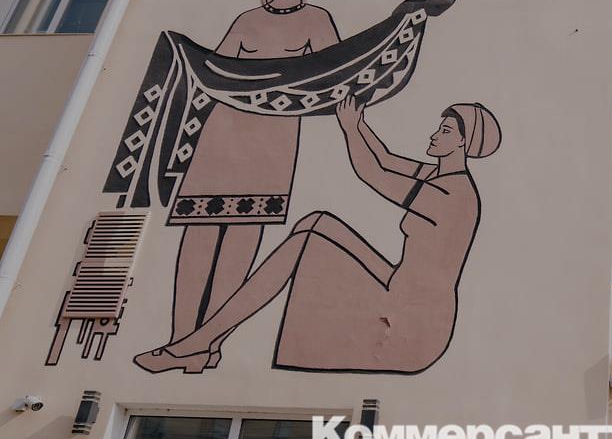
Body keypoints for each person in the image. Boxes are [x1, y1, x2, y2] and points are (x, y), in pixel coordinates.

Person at [133, 96, 502, 374]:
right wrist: (357, 123)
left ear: (463, 143)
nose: (435, 135)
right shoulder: (437, 175)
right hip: (396, 287)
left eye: (446, 131)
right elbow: (386, 158)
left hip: (412, 320)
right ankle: (206, 342)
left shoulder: (454, 195)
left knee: (308, 236)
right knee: (316, 223)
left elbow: (373, 174)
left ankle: (201, 342)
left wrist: (349, 130)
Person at [166, 0, 340, 352]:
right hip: (221, 133)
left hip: (273, 137)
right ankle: (179, 335)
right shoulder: (247, 20)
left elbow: (332, 71)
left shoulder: (316, 19)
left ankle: (208, 344)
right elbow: (216, 71)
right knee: (198, 233)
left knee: (243, 236)